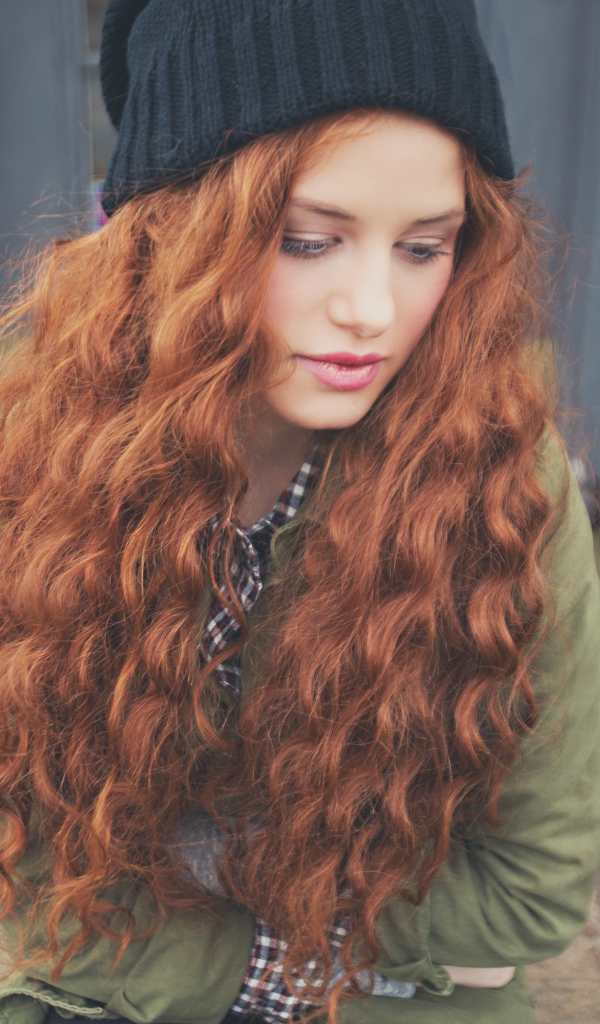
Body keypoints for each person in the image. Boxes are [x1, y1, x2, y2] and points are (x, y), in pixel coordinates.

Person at [0, 1, 599, 1022]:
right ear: (175, 235)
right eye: (308, 241)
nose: (371, 308)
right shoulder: (33, 448)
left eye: (423, 248)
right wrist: (317, 925)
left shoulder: (502, 479)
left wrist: (186, 884)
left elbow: (526, 897)